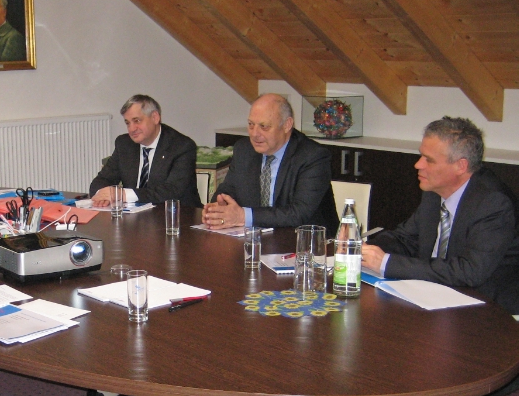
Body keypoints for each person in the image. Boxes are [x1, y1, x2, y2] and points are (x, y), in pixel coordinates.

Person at [362, 117, 519, 313]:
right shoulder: (435, 191)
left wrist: (386, 263)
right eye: (421, 156)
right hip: (435, 297)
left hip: (488, 309)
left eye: (429, 160)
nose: (418, 165)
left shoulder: (493, 203)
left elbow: (470, 271)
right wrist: (362, 250)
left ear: (461, 166)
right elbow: (405, 239)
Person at [202, 93, 338, 234]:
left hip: (304, 241)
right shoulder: (244, 150)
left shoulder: (313, 156)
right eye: (251, 125)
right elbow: (228, 190)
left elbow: (298, 213)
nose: (255, 134)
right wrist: (218, 210)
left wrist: (242, 216)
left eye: (264, 126)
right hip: (256, 238)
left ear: (287, 125)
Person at [89, 94, 202, 207]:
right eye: (128, 123)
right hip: (134, 214)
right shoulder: (124, 144)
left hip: (178, 213)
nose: (132, 129)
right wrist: (102, 195)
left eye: (137, 121)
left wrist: (123, 194)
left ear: (155, 117)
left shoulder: (181, 146)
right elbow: (102, 180)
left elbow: (172, 191)